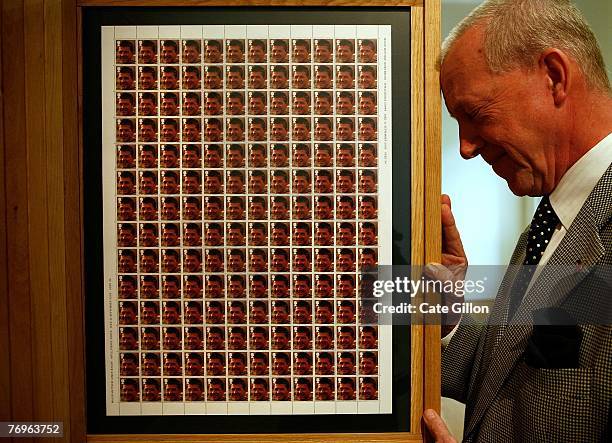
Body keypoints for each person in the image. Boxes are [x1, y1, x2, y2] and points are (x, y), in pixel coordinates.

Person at [422, 1, 612, 442]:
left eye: (475, 114)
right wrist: (446, 315)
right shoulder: (547, 225)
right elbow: (506, 382)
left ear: (554, 77)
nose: (466, 147)